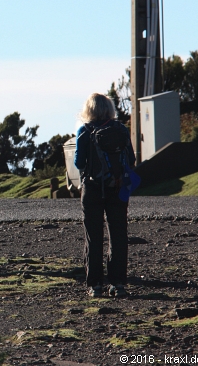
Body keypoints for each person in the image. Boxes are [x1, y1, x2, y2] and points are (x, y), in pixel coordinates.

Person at [74, 93, 136, 298]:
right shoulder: (121, 130)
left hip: (92, 189)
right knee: (118, 235)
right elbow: (132, 159)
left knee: (94, 236)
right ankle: (118, 284)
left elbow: (78, 163)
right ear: (110, 109)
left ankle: (95, 285)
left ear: (89, 110)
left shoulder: (85, 130)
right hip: (118, 189)